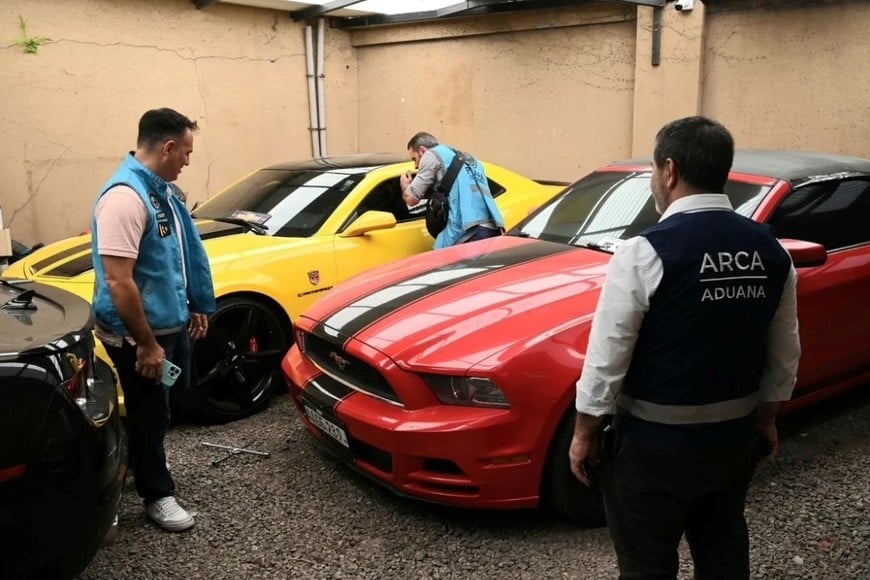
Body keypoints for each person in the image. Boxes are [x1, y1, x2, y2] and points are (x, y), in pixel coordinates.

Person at [569, 116, 800, 579]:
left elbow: (608, 355)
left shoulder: (644, 251)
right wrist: (768, 418)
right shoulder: (771, 251)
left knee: (646, 564)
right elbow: (784, 349)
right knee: (723, 552)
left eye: (654, 170)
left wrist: (584, 432)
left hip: (652, 451)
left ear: (669, 171)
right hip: (732, 443)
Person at [91, 107, 216, 532]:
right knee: (149, 411)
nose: (187, 161)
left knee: (166, 401)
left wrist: (196, 302)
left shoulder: (160, 192)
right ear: (167, 148)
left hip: (169, 326)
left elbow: (179, 254)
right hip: (141, 337)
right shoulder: (125, 198)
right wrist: (146, 344)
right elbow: (118, 280)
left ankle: (134, 461)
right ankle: (156, 494)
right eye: (185, 152)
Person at [400, 132, 504, 249]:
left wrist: (405, 186)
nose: (416, 165)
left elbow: (411, 199)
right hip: (492, 228)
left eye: (415, 159)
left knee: (440, 262)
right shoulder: (470, 160)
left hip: (468, 231)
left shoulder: (431, 155)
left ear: (422, 150)